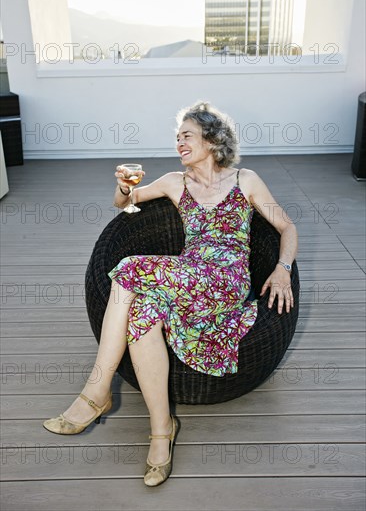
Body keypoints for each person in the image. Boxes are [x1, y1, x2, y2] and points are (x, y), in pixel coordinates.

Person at [43, 101, 298, 487]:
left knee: (129, 269)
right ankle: (162, 431)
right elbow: (125, 206)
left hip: (225, 283)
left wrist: (282, 269)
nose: (179, 142)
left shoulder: (245, 179)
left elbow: (287, 227)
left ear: (212, 140)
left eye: (188, 135)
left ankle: (97, 391)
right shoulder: (173, 182)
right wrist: (124, 188)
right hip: (188, 283)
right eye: (177, 136)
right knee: (143, 311)